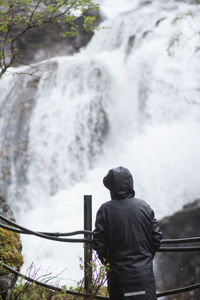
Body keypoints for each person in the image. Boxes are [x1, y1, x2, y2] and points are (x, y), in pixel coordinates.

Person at [92, 166, 163, 300]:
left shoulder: (105, 210)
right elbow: (157, 238)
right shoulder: (144, 207)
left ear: (112, 188)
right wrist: (145, 258)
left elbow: (98, 243)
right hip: (144, 277)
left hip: (118, 278)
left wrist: (110, 263)